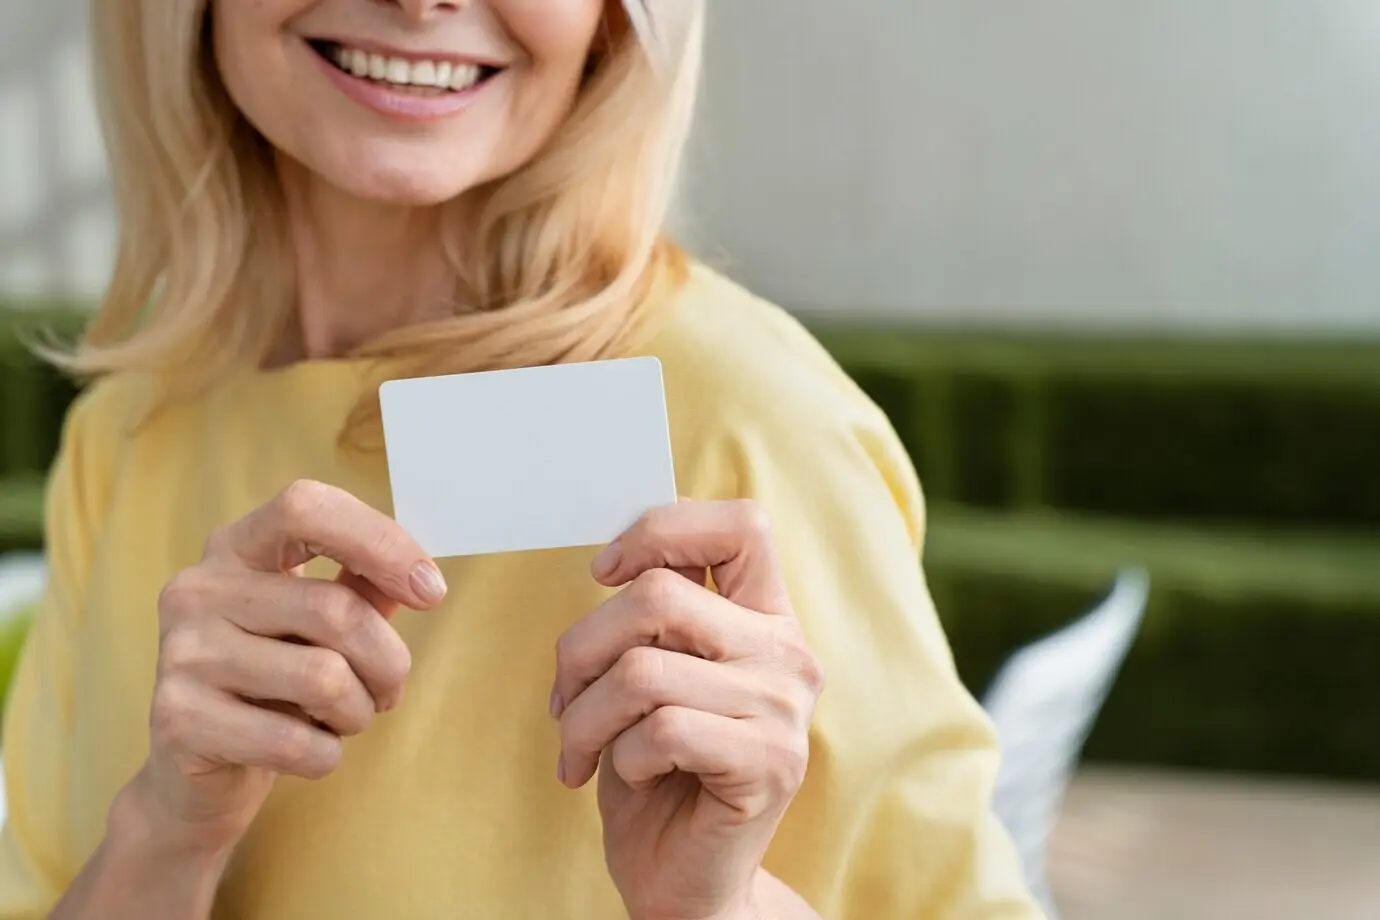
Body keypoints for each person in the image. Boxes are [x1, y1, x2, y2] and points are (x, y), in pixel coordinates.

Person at [0, 1, 1043, 918]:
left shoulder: (747, 422)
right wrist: (164, 831)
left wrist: (718, 910)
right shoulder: (133, 430)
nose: (421, 1)